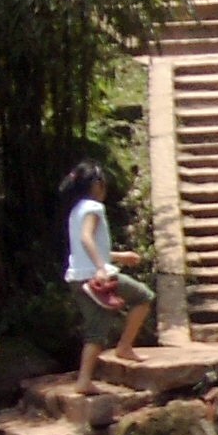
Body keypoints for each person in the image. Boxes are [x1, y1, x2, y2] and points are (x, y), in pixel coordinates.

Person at [58, 162, 154, 394]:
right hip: (95, 278)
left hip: (77, 278)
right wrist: (102, 268)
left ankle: (87, 377)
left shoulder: (76, 210)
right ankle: (122, 348)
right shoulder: (93, 207)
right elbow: (86, 239)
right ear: (97, 185)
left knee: (95, 330)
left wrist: (119, 256)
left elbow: (86, 246)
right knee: (144, 297)